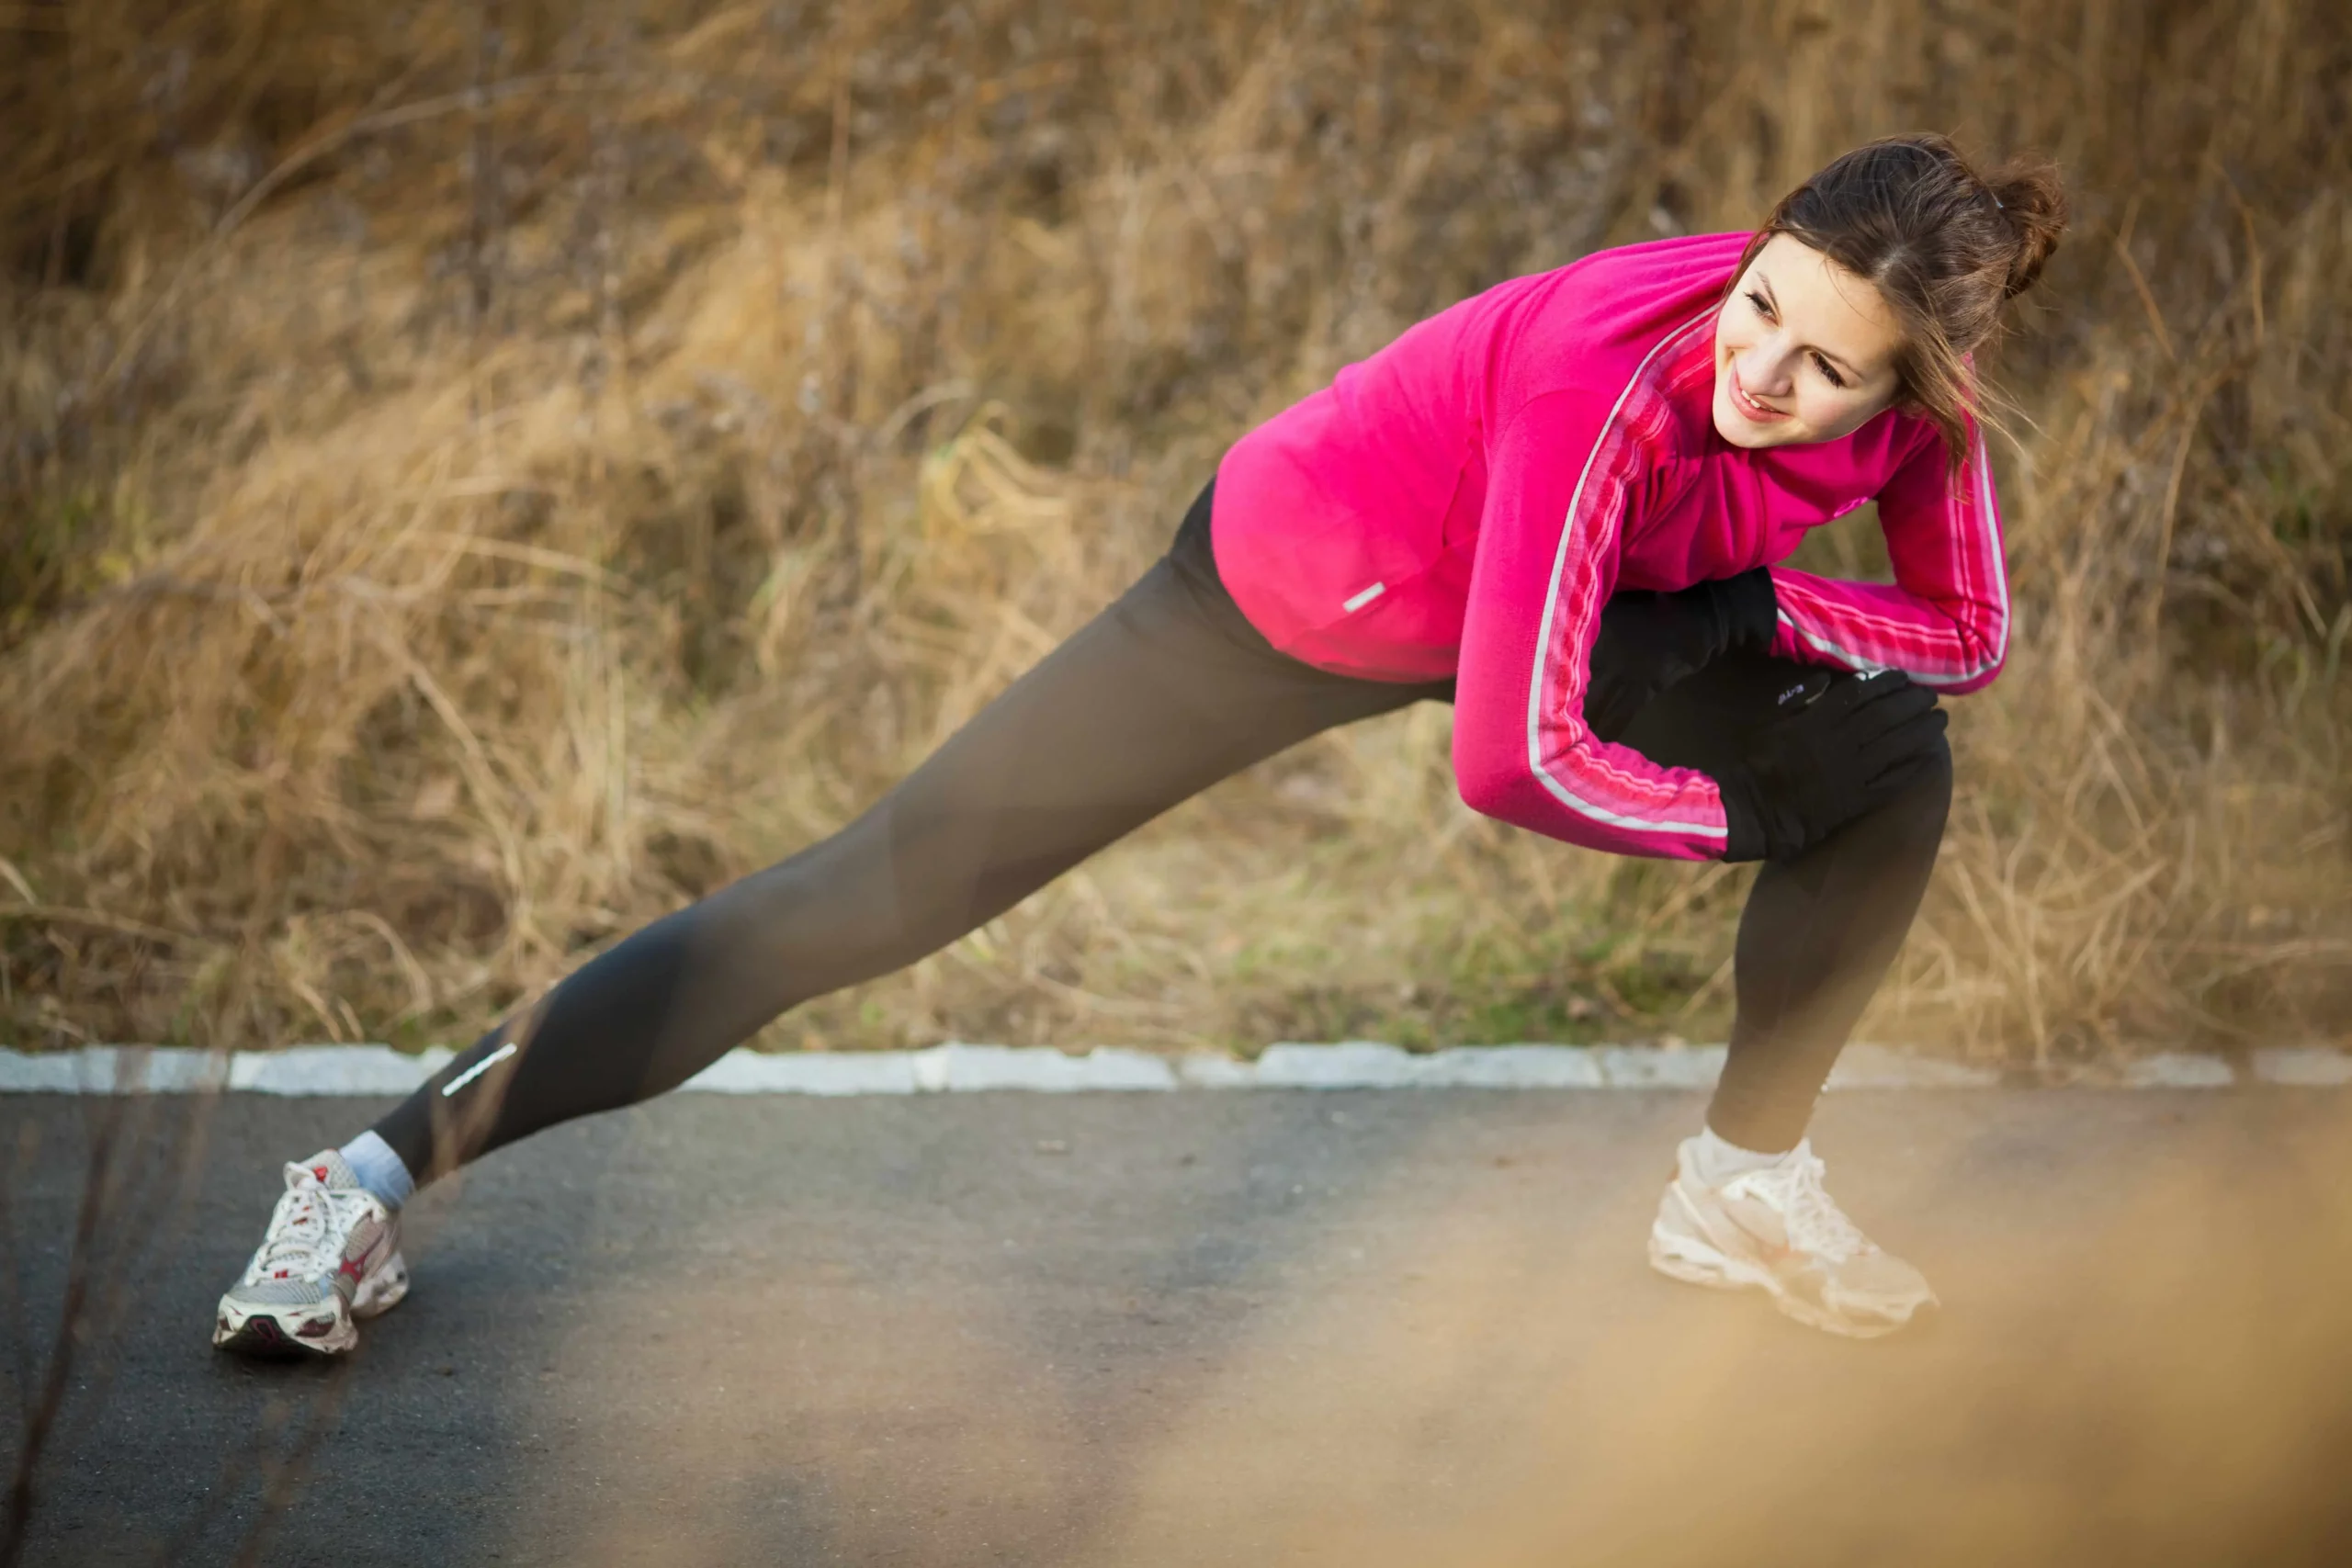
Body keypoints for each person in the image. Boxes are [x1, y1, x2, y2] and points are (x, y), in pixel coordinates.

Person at [212, 133, 2066, 1354]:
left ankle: (1741, 1186)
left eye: (1818, 366)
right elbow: (1505, 764)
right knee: (868, 896)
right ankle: (367, 1178)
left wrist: (1742, 629)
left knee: (1887, 760)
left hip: (1585, 608)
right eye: (1755, 303)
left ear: (1908, 388)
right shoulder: (1611, 382)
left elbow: (1962, 634)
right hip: (1289, 593)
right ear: (1741, 256)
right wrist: (1730, 803)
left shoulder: (1930, 420)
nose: (1755, 369)